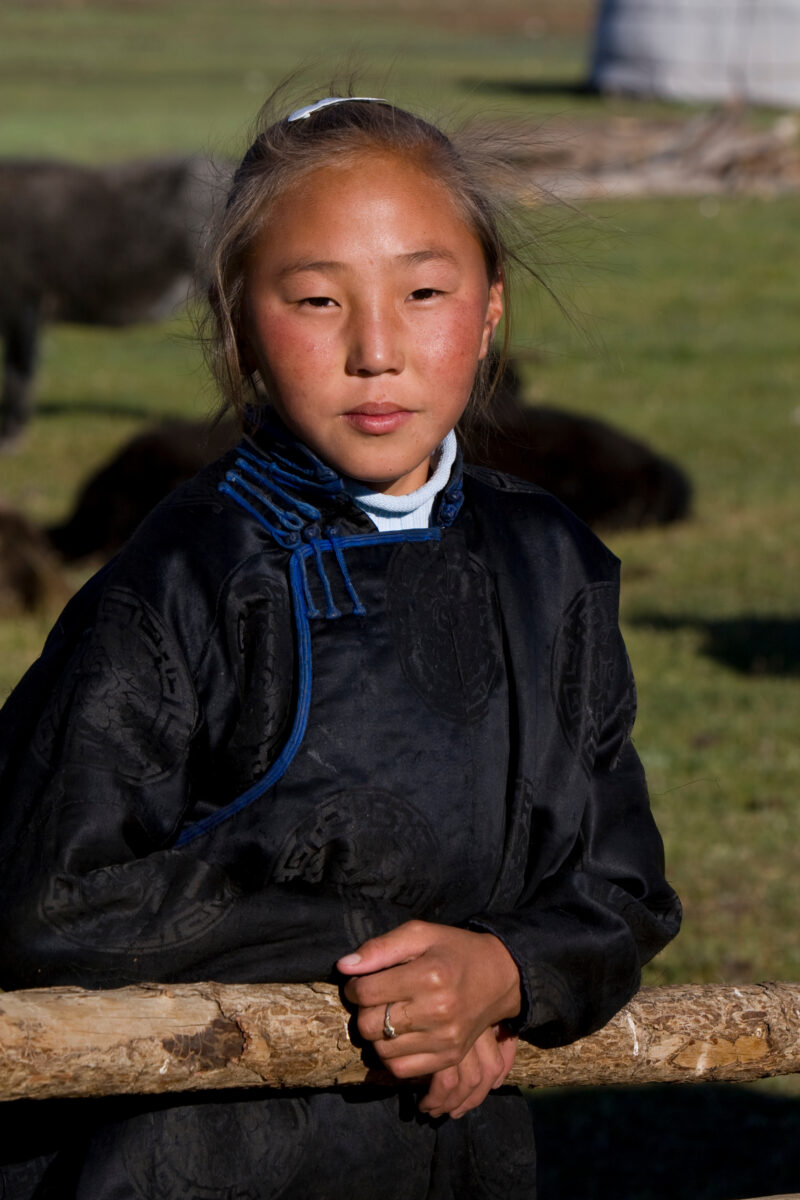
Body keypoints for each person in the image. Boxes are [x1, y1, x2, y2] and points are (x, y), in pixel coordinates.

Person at [0, 92, 681, 1199]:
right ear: (237, 319)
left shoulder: (552, 566)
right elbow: (43, 897)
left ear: (491, 307)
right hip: (191, 1164)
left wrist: (505, 974)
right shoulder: (182, 582)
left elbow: (620, 886)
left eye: (423, 292)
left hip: (449, 1158)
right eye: (316, 299)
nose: (376, 349)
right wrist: (389, 962)